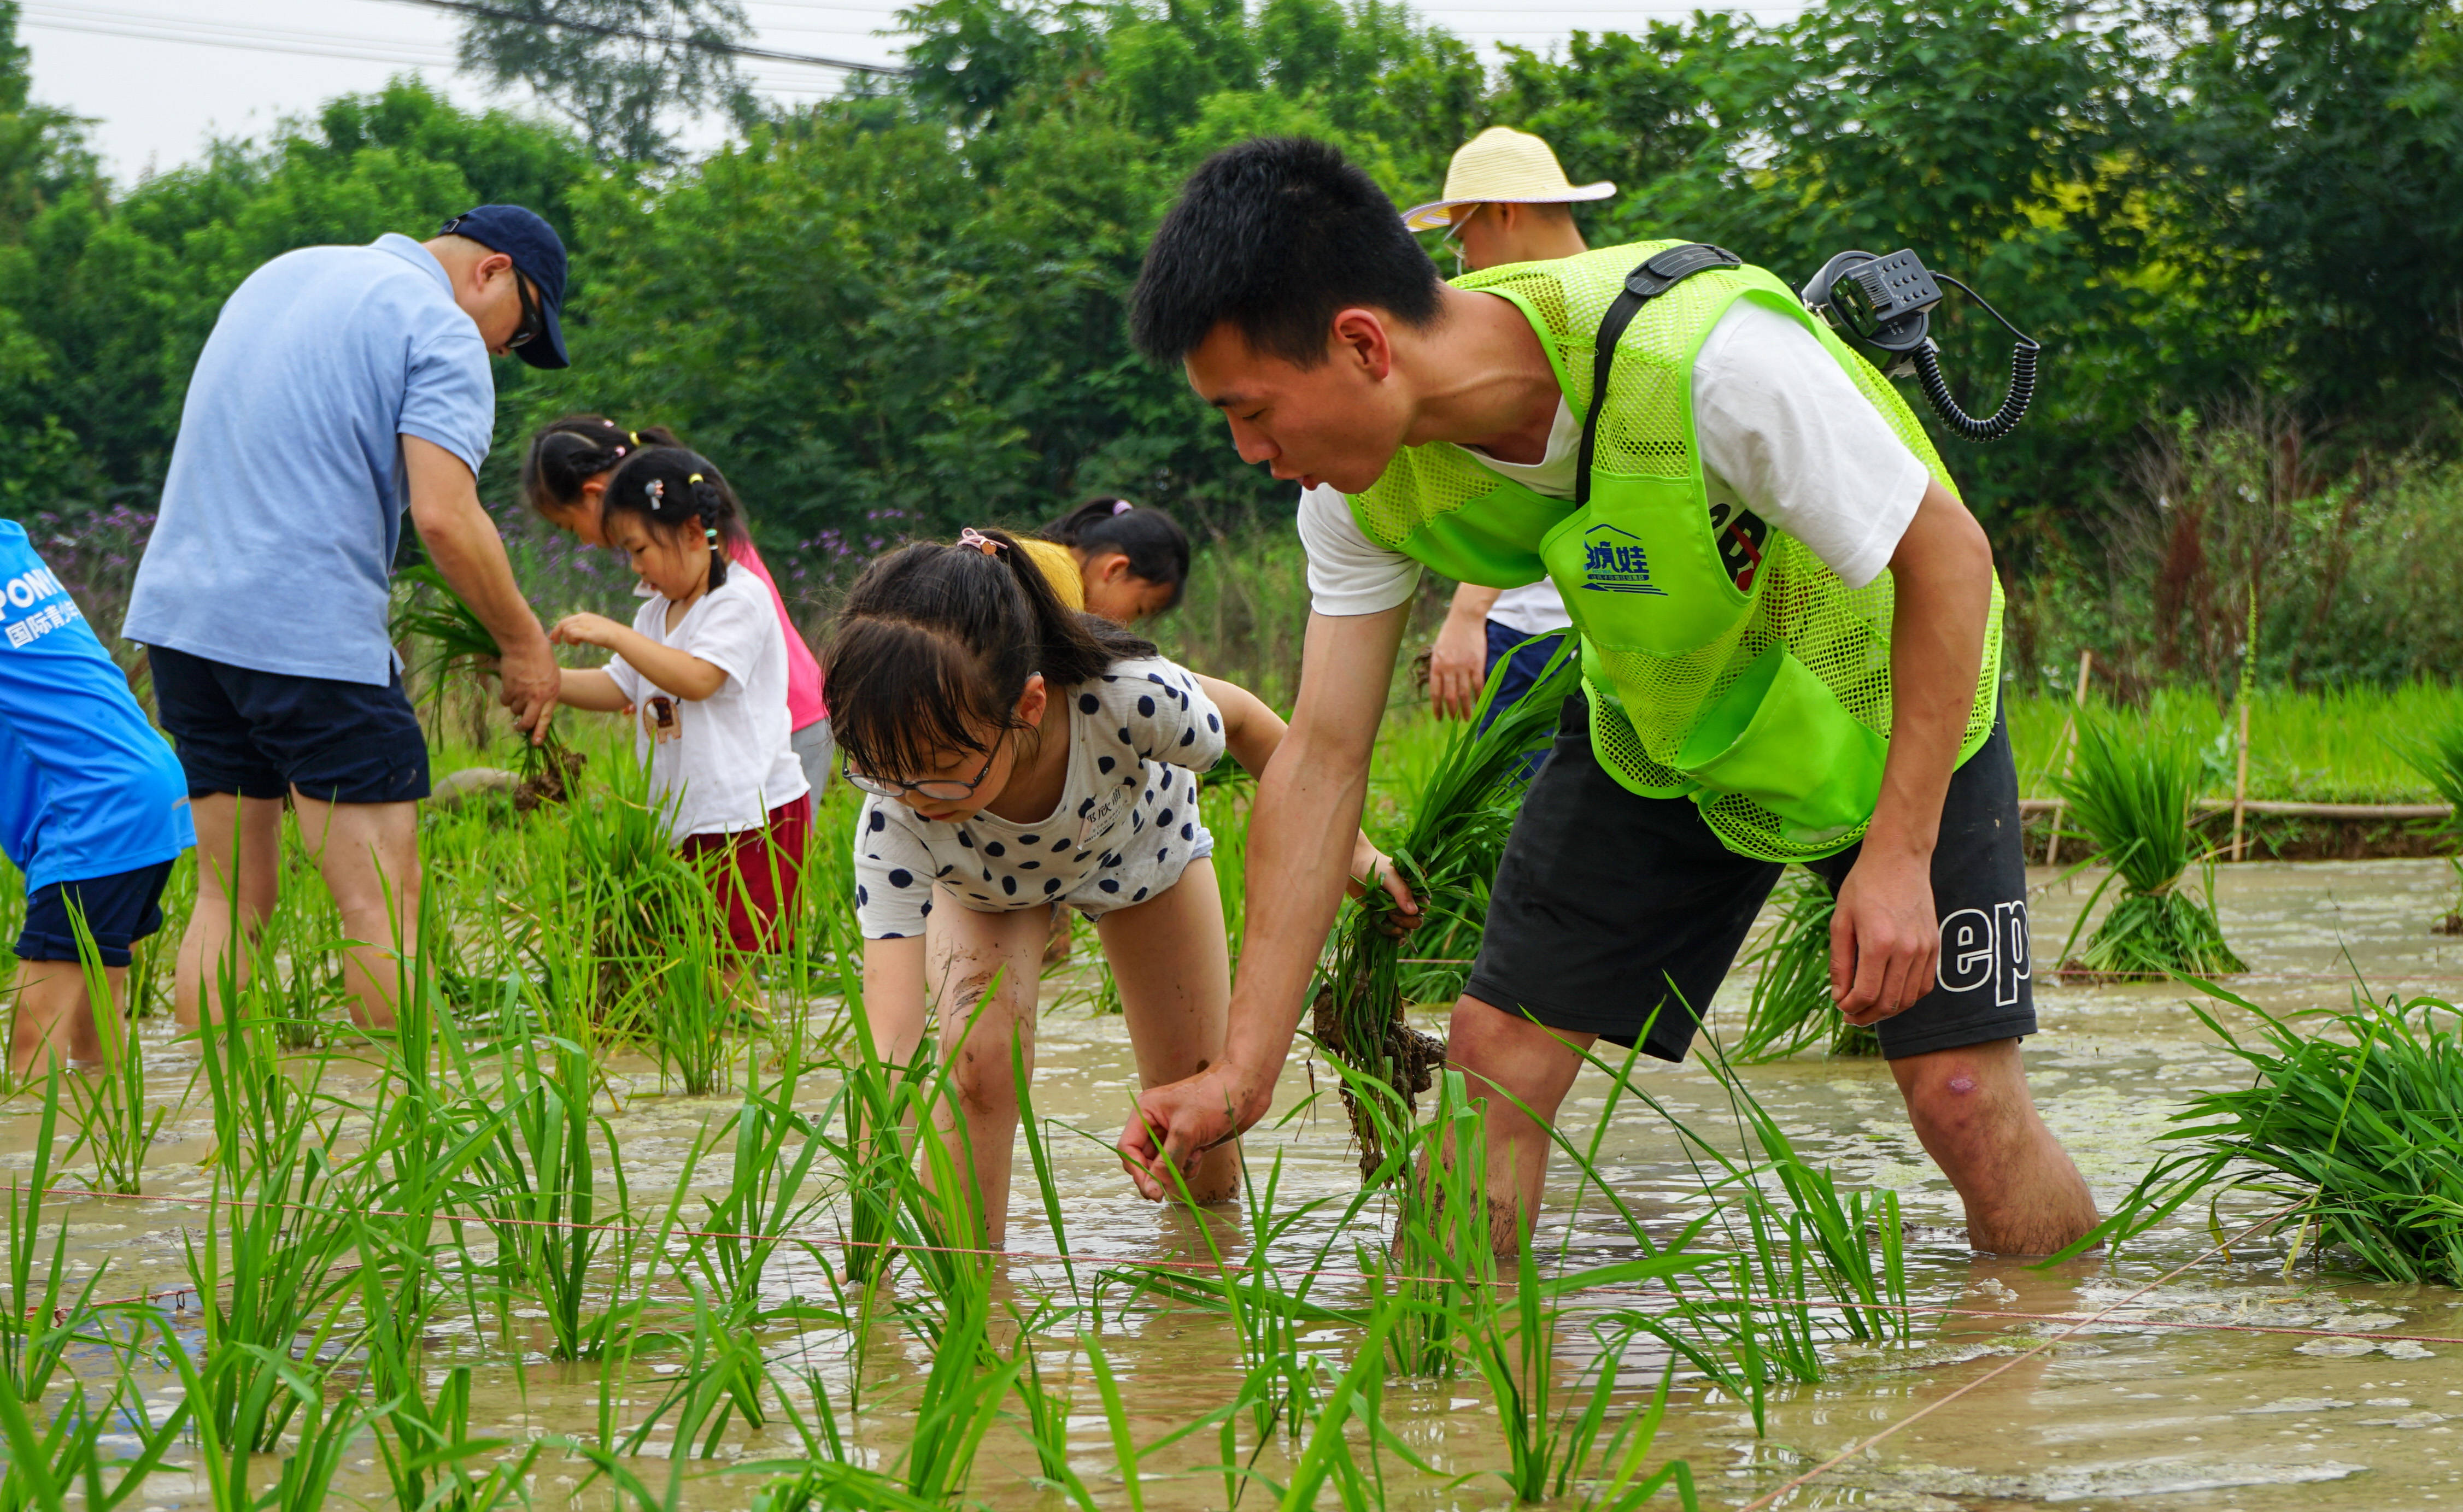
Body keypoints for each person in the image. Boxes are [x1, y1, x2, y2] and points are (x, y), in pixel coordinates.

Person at [1116, 136, 2098, 1257]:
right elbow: (1322, 757)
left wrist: (1898, 857)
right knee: (1496, 1067)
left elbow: (1951, 560)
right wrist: (1242, 1071)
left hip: (1886, 701)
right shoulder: (1353, 494)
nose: (1250, 451)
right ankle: (1448, 1396)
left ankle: (2050, 1370)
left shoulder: (1714, 359)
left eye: (1252, 411)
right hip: (1665, 719)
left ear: (1362, 344)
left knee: (1963, 1097)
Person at [824, 526, 1410, 1246]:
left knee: (1199, 1116)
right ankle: (967, 1278)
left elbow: (1255, 727)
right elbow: (892, 1044)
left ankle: (1201, 1290)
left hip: (1140, 848)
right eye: (887, 768)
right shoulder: (899, 808)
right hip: (986, 889)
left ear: (1029, 706)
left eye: (942, 764)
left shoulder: (1129, 696)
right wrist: (865, 1226)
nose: (913, 791)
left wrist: (1351, 850)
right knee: (976, 1063)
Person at [123, 204, 570, 1033]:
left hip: (185, 625)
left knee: (230, 899)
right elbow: (445, 515)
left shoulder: (283, 273)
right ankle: (398, 1140)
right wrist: (521, 641)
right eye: (520, 332)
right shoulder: (437, 326)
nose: (502, 353)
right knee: (380, 904)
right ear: (494, 271)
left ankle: (206, 1131)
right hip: (308, 636)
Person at [543, 447, 812, 973]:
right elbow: (619, 686)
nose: (636, 567)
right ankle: (720, 1049)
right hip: (685, 819)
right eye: (627, 553)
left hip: (747, 818)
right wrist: (544, 682)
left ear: (692, 531)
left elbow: (700, 679)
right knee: (692, 960)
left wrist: (613, 632)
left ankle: (755, 1051)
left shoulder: (740, 598)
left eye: (640, 549)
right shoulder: (654, 612)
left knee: (728, 965)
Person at [522, 415, 836, 802]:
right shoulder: (672, 570)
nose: (584, 541)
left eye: (571, 527)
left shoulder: (714, 567)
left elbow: (696, 676)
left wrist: (629, 647)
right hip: (731, 745)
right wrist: (541, 676)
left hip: (781, 725)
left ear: (595, 493)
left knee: (769, 858)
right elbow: (629, 682)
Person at [1403, 129, 1593, 733]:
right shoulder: (1627, 308)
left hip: (1534, 629)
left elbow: (1523, 491)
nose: (1468, 264)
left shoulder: (1531, 322)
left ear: (1505, 213)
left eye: (1463, 239)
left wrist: (1465, 617)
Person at [1, 523, 195, 1076]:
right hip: (147, 786)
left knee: (34, 1037)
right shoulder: (8, 542)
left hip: (92, 808)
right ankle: (106, 1147)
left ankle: (28, 1155)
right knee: (95, 1010)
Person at [1033, 497, 1193, 625]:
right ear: (1115, 570)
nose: (1126, 627)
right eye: (1139, 610)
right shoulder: (1061, 598)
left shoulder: (1037, 557)